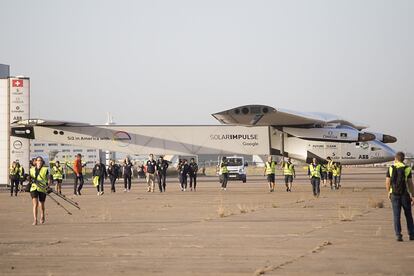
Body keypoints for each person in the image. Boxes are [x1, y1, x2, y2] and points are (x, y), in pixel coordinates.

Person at [385, 152, 414, 242]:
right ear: (403, 159)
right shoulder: (407, 168)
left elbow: (387, 182)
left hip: (395, 195)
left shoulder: (391, 168)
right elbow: (410, 184)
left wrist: (389, 192)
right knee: (408, 215)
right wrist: (413, 195)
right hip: (405, 195)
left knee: (396, 215)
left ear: (396, 159)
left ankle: (398, 235)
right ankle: (411, 234)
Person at [28, 156, 51, 225]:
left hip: (42, 188)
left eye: (41, 160)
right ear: (35, 162)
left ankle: (42, 215)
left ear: (42, 162)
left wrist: (48, 186)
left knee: (42, 204)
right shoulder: (31, 169)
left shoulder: (45, 169)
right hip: (34, 188)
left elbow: (49, 179)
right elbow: (30, 179)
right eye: (38, 160)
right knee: (35, 204)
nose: (39, 162)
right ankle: (35, 220)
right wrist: (28, 178)